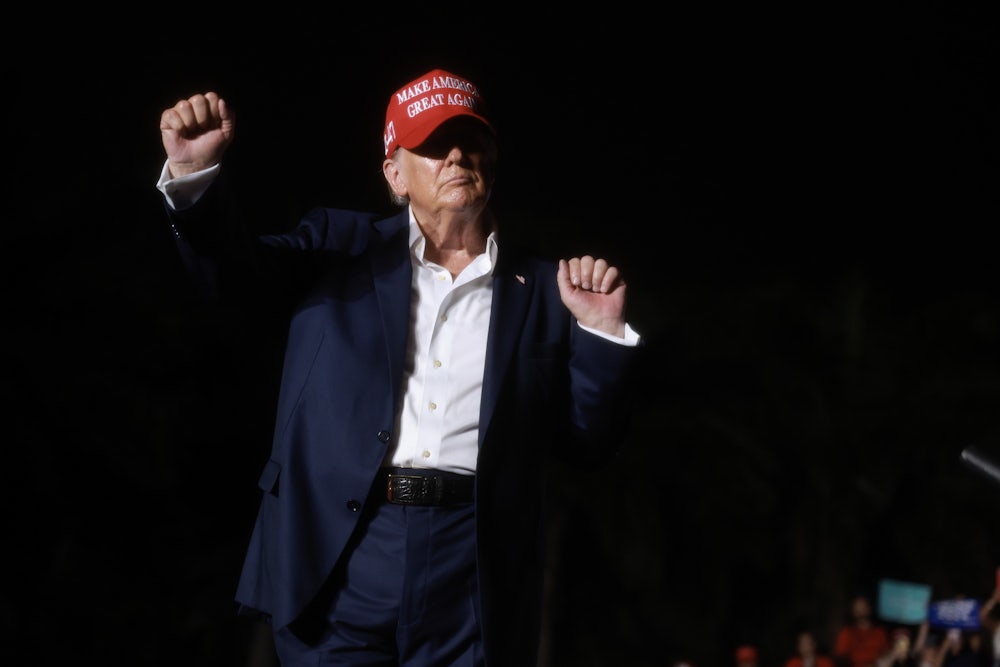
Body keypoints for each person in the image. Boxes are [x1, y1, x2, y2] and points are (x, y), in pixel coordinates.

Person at [155, 67, 641, 666]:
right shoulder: (340, 246)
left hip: (472, 563)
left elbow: (588, 445)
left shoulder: (545, 288)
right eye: (434, 144)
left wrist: (601, 333)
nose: (457, 154)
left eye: (471, 140)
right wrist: (194, 179)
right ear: (394, 173)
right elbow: (235, 277)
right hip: (344, 550)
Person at [834, 594, 890, 667]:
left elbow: (886, 654)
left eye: (862, 606)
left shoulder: (880, 632)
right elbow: (840, 656)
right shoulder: (847, 632)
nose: (860, 610)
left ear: (869, 608)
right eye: (857, 607)